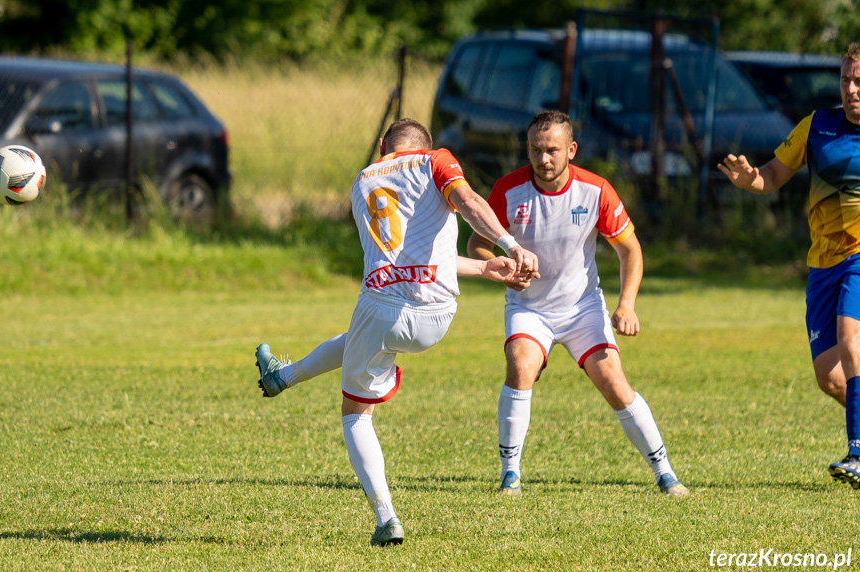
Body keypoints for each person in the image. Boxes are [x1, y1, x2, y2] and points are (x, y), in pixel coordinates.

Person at [255, 118, 539, 546]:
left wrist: (498, 255)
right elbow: (464, 203)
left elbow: (402, 249)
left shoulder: (362, 180)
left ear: (385, 145)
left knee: (355, 414)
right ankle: (283, 376)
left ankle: (386, 517)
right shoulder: (436, 161)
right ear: (426, 145)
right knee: (356, 346)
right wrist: (502, 251)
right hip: (436, 317)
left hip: (380, 307)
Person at [467, 110, 689, 497]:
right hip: (529, 308)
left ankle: (665, 473)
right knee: (520, 367)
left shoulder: (595, 190)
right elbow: (477, 244)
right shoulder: (507, 190)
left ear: (571, 149)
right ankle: (510, 475)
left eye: (552, 150)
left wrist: (627, 305)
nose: (543, 158)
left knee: (615, 384)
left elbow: (630, 251)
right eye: (535, 149)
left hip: (581, 307)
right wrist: (497, 266)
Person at [717, 43, 860, 489]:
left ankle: (858, 453)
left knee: (851, 339)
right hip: (823, 264)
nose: (852, 89)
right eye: (846, 80)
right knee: (830, 378)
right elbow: (773, 175)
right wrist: (750, 179)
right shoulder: (817, 126)